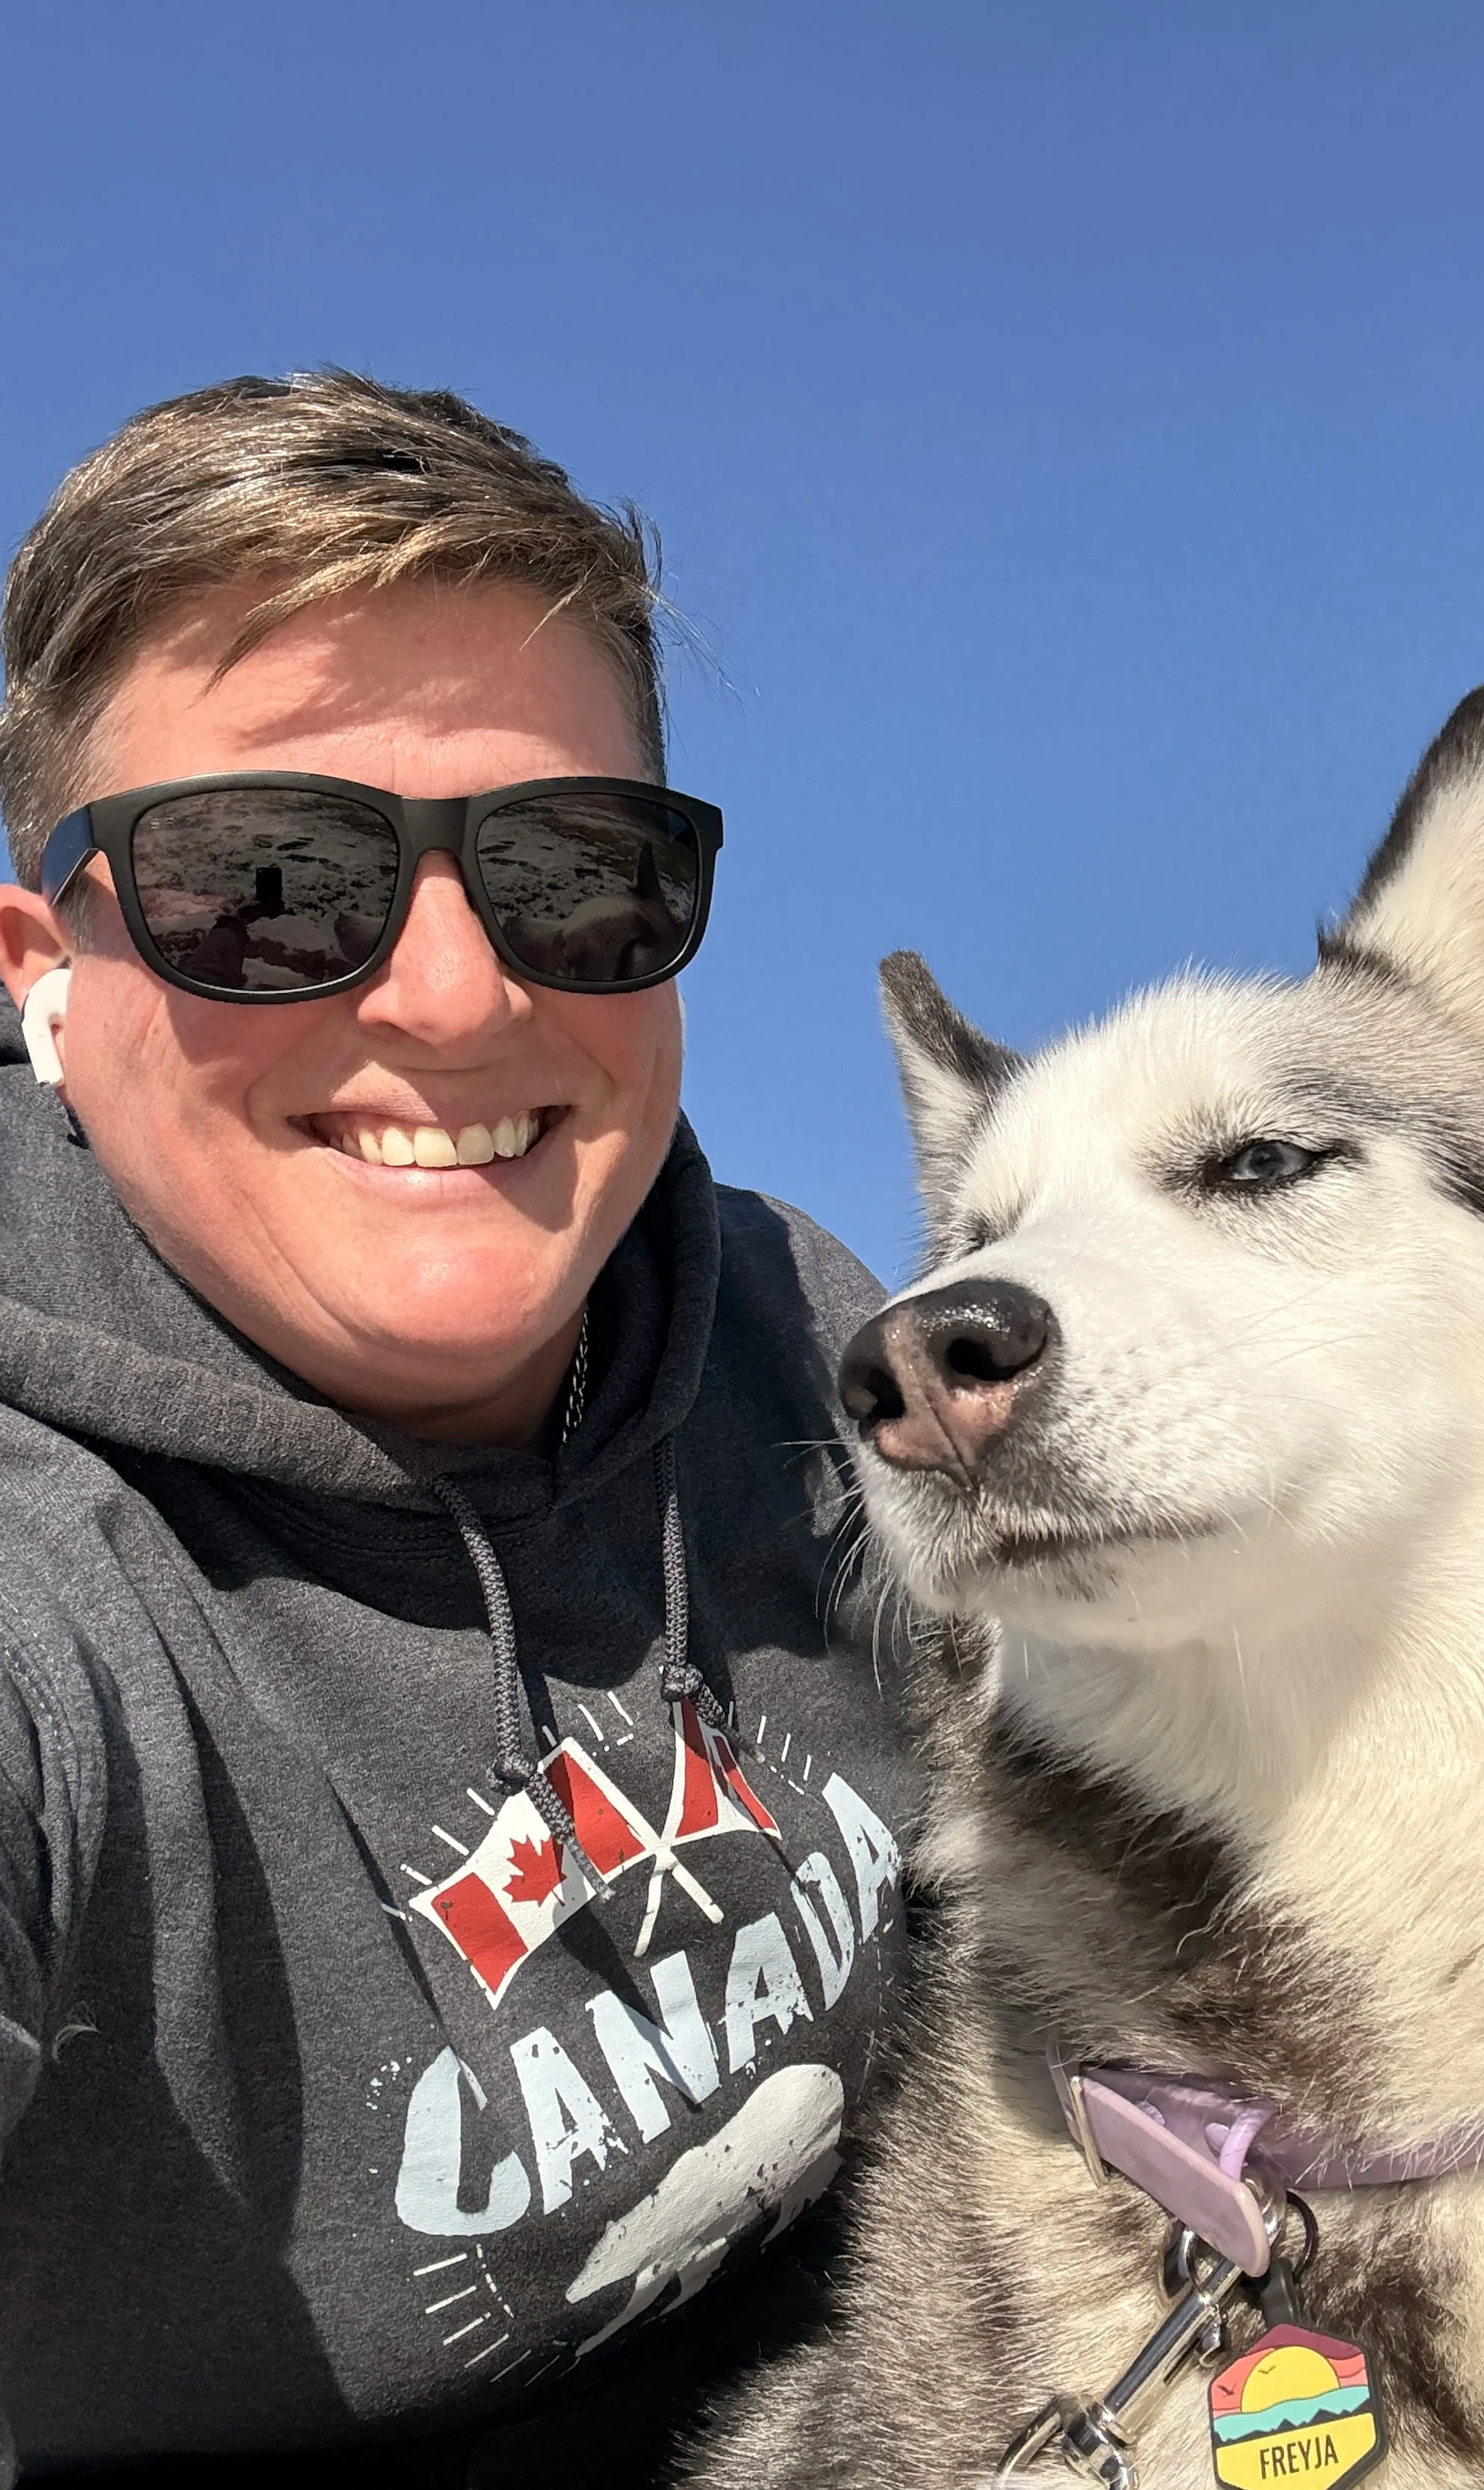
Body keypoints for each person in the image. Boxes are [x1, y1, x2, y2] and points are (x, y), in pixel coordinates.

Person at [0, 373, 919, 2485]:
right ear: (45, 971)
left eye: (572, 870)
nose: (453, 994)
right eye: (263, 879)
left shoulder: (799, 1328)